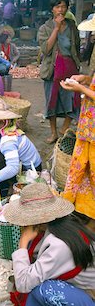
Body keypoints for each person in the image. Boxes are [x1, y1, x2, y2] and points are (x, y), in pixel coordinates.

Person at [3, 182, 95, 306]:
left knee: (42, 290)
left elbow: (24, 283)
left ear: (36, 221)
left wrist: (23, 244)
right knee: (39, 280)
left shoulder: (58, 244)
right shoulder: (63, 225)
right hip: (86, 291)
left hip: (91, 297)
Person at [37, 0, 81, 144]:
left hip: (70, 68)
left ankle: (65, 129)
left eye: (64, 6)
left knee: (72, 99)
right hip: (52, 69)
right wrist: (56, 28)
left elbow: (76, 48)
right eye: (58, 6)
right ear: (52, 9)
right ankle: (54, 132)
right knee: (52, 102)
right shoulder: (45, 28)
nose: (61, 9)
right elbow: (46, 49)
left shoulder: (71, 26)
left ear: (68, 8)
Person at [60, 66, 95, 228]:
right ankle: (86, 212)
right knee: (82, 172)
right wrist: (85, 79)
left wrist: (80, 88)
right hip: (88, 128)